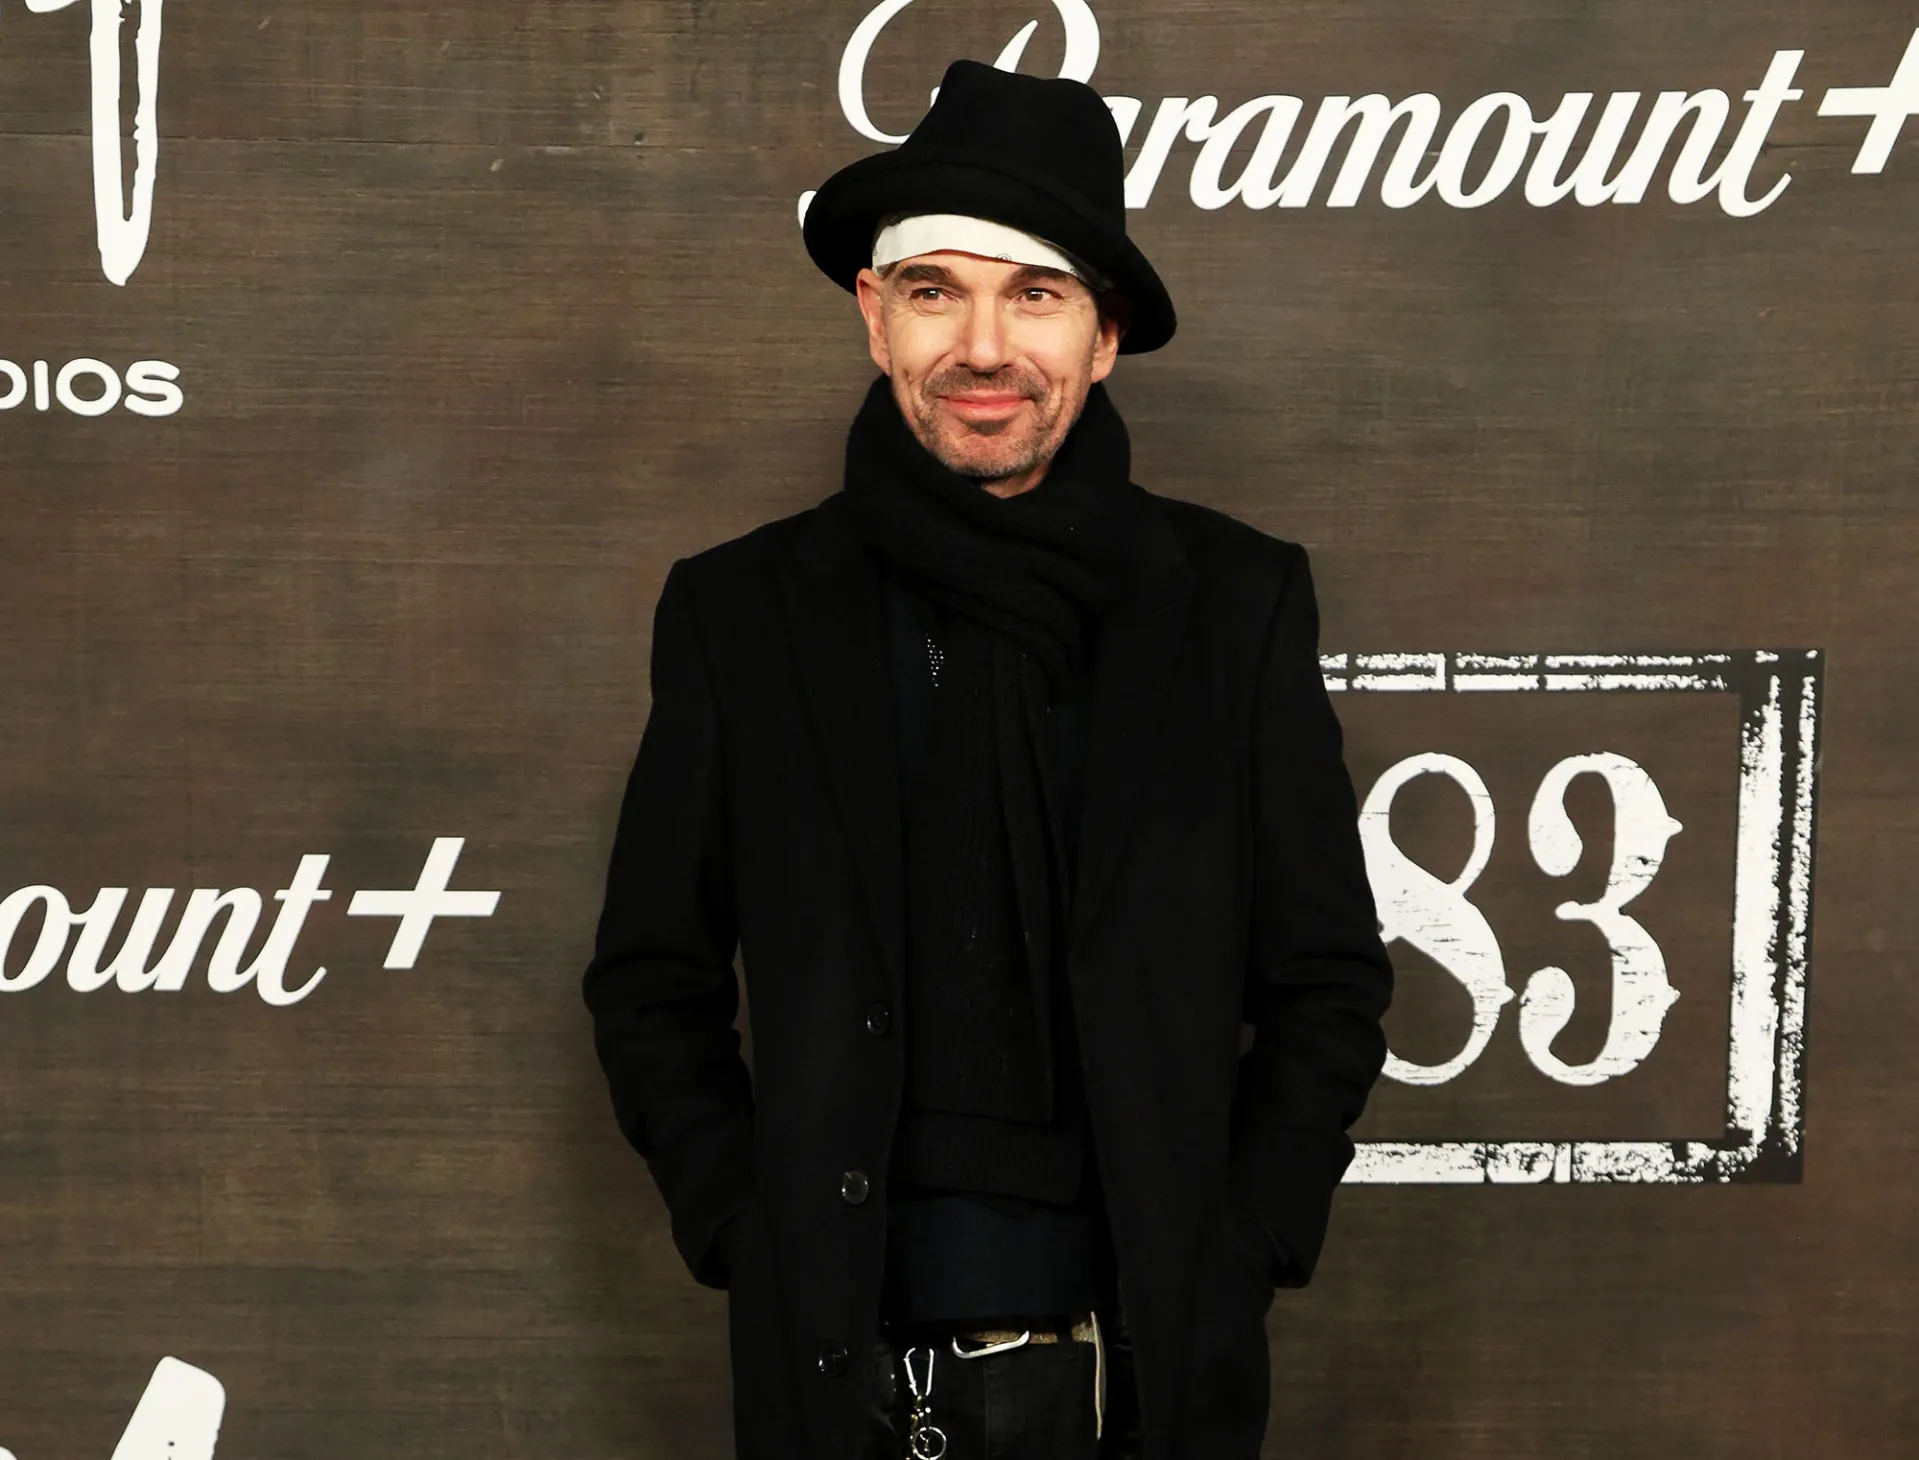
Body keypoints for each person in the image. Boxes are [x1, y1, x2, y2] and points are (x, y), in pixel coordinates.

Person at [583, 58, 1394, 1460]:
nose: (981, 346)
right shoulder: (740, 613)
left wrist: (1241, 1242)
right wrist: (746, 1229)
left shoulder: (1235, 603)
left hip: (1146, 1376)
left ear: (1104, 333)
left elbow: (1325, 980)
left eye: (1034, 294)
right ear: (872, 315)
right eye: (933, 291)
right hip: (838, 1374)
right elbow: (652, 982)